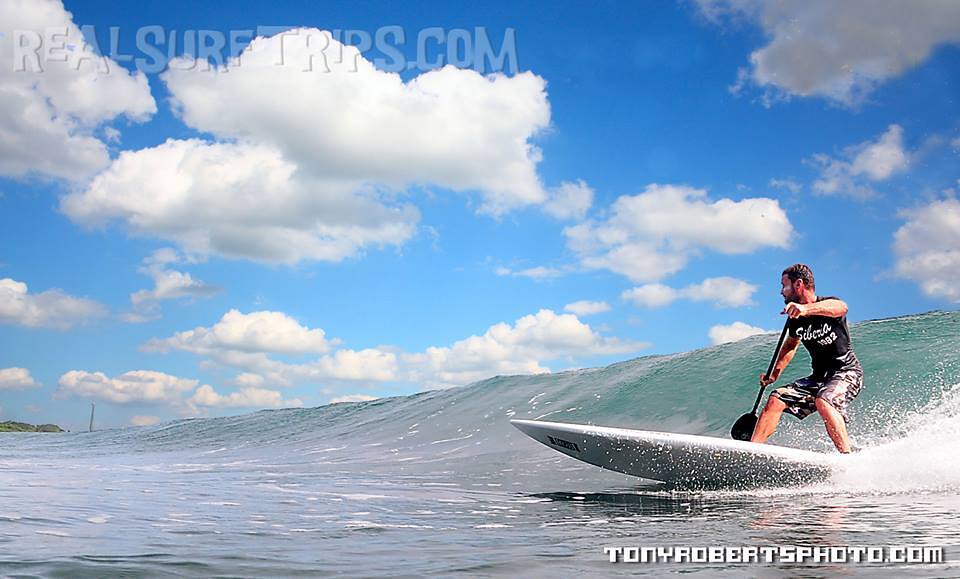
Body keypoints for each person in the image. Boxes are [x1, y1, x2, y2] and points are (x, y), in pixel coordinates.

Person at [751, 264, 863, 453]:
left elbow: (841, 307)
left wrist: (805, 309)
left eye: (784, 285)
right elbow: (790, 346)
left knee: (824, 400)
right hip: (819, 377)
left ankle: (847, 456)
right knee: (777, 398)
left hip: (846, 372)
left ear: (798, 284)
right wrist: (774, 374)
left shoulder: (828, 304)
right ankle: (751, 452)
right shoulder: (795, 319)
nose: (781, 292)